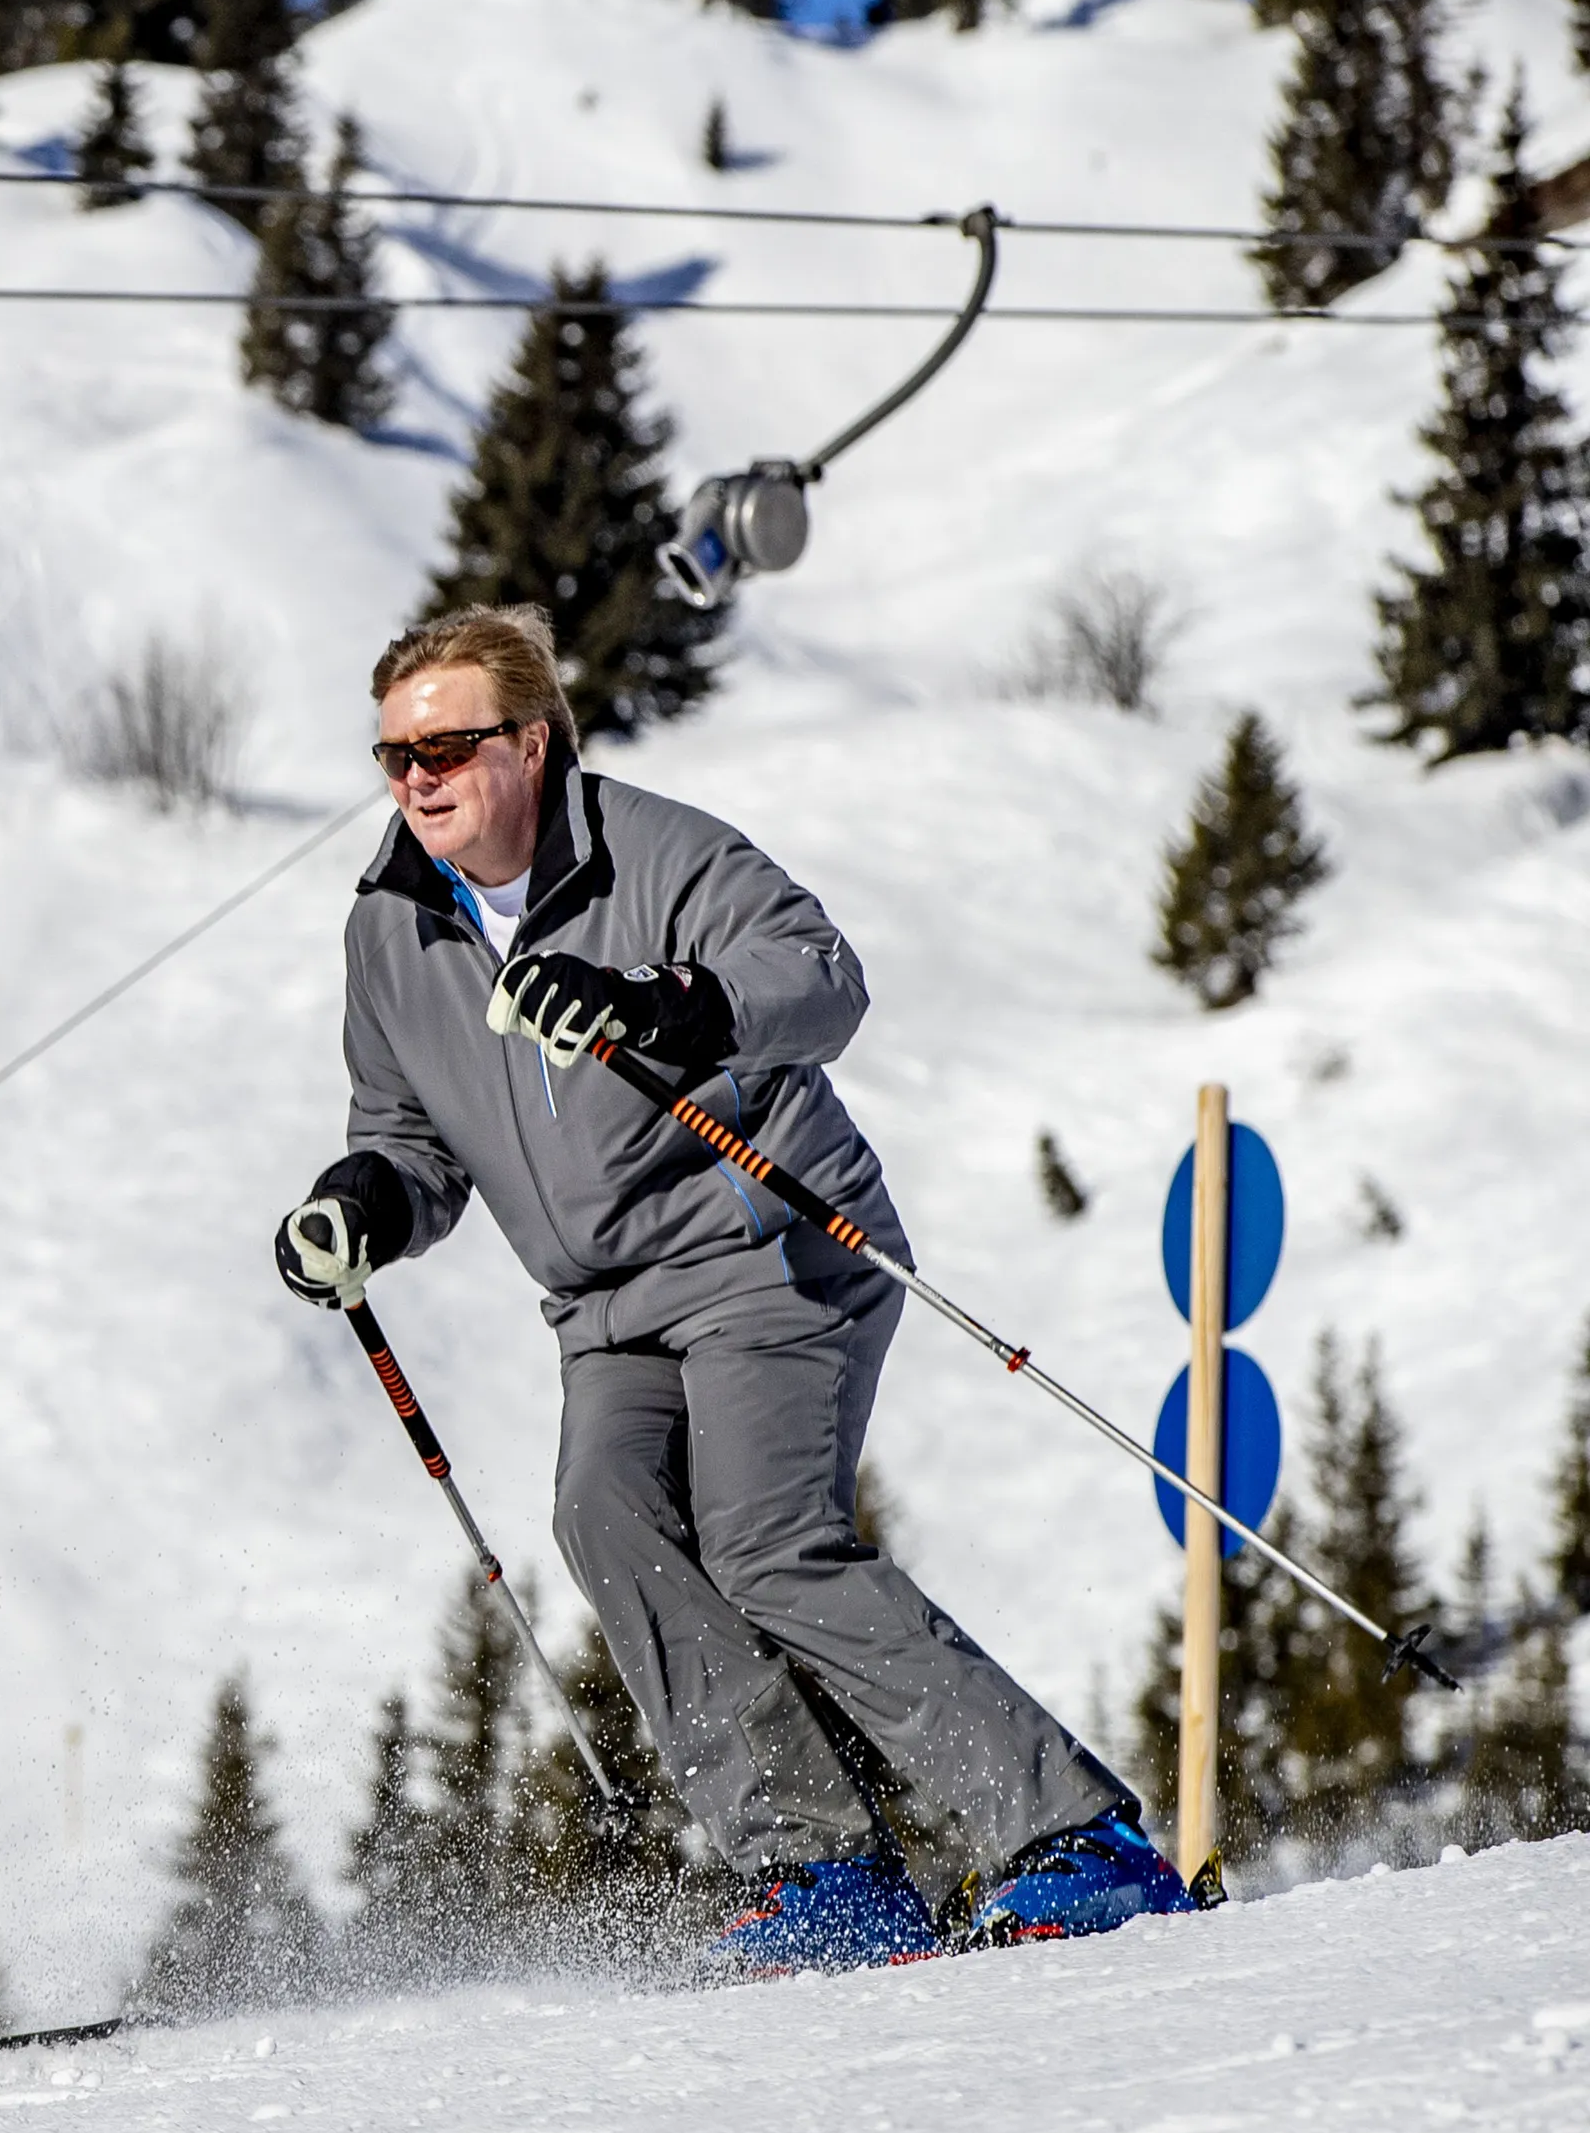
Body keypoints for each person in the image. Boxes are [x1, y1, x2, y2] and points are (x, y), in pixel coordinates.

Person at [273, 603, 1191, 1970]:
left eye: (450, 743)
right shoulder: (391, 930)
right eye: (396, 753)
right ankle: (823, 1870)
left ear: (530, 742)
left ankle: (1076, 1842)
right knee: (604, 1512)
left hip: (765, 1240)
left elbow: (823, 981)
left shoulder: (655, 851)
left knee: (766, 1537)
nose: (417, 777)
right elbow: (409, 1137)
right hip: (604, 1300)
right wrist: (364, 1206)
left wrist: (664, 1003)